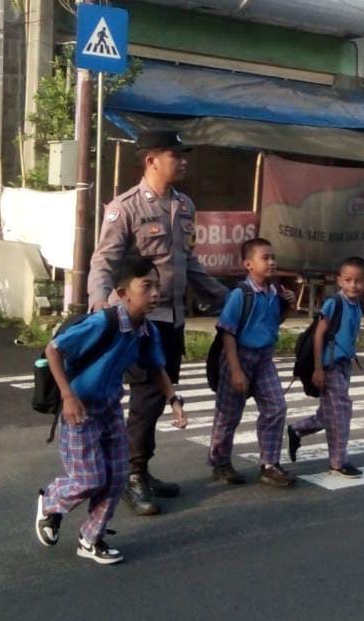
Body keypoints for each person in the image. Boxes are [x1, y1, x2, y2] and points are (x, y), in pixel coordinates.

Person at [88, 129, 227, 516]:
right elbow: (104, 261)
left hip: (174, 318)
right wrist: (102, 306)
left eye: (184, 154)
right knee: (147, 396)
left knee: (156, 398)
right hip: (138, 319)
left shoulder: (184, 205)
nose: (183, 161)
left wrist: (224, 297)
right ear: (151, 160)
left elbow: (188, 262)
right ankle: (131, 478)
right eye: (175, 154)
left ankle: (141, 471)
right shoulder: (125, 207)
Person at [35, 256, 188, 565]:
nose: (155, 293)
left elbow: (156, 367)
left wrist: (174, 401)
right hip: (79, 410)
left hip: (109, 410)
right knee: (89, 479)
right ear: (122, 292)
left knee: (117, 478)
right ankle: (50, 503)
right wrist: (67, 396)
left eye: (157, 286)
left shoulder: (146, 330)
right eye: (147, 286)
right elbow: (54, 349)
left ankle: (91, 540)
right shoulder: (102, 322)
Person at [208, 238, 297, 487]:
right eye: (265, 258)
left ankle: (269, 464)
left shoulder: (274, 292)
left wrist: (288, 306)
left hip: (264, 358)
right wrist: (236, 371)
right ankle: (220, 462)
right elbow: (227, 332)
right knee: (228, 414)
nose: (272, 262)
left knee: (276, 407)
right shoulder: (240, 294)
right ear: (248, 264)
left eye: (273, 257)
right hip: (239, 356)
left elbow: (273, 323)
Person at [287, 257, 364, 478]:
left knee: (329, 414)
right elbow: (319, 334)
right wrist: (318, 368)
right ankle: (338, 463)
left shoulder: (357, 304)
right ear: (339, 280)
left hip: (344, 366)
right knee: (341, 414)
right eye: (348, 280)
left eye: (358, 281)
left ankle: (297, 430)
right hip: (329, 366)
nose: (353, 285)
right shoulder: (335, 303)